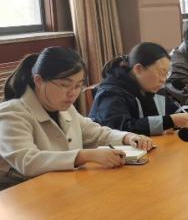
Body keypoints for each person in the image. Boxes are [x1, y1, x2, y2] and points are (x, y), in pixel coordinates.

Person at [0, 48, 153, 189]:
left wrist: (128, 137)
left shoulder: (65, 108)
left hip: (62, 187)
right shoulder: (12, 113)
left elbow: (97, 133)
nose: (72, 93)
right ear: (39, 81)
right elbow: (27, 161)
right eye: (64, 85)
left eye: (78, 85)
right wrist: (85, 155)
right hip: (23, 195)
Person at [90, 42, 188, 135]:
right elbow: (121, 129)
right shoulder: (111, 93)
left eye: (166, 74)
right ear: (138, 69)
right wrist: (170, 121)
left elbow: (174, 109)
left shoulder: (153, 88)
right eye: (161, 73)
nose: (163, 80)